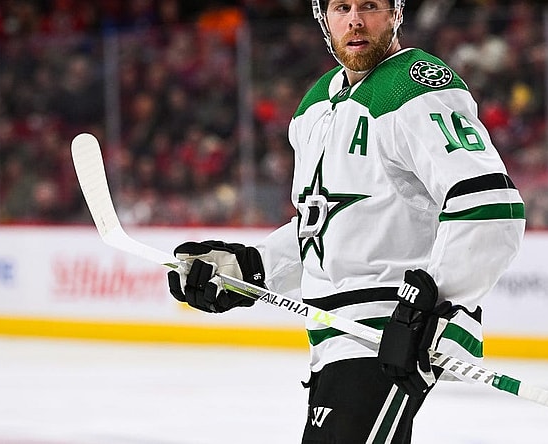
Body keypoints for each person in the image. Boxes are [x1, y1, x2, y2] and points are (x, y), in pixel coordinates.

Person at [167, 0, 525, 442]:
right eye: (342, 7)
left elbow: (492, 206)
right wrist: (246, 268)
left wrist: (427, 311)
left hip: (383, 337)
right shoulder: (315, 105)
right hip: (331, 342)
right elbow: (321, 231)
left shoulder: (415, 86)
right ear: (324, 17)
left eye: (369, 5)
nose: (354, 20)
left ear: (396, 12)